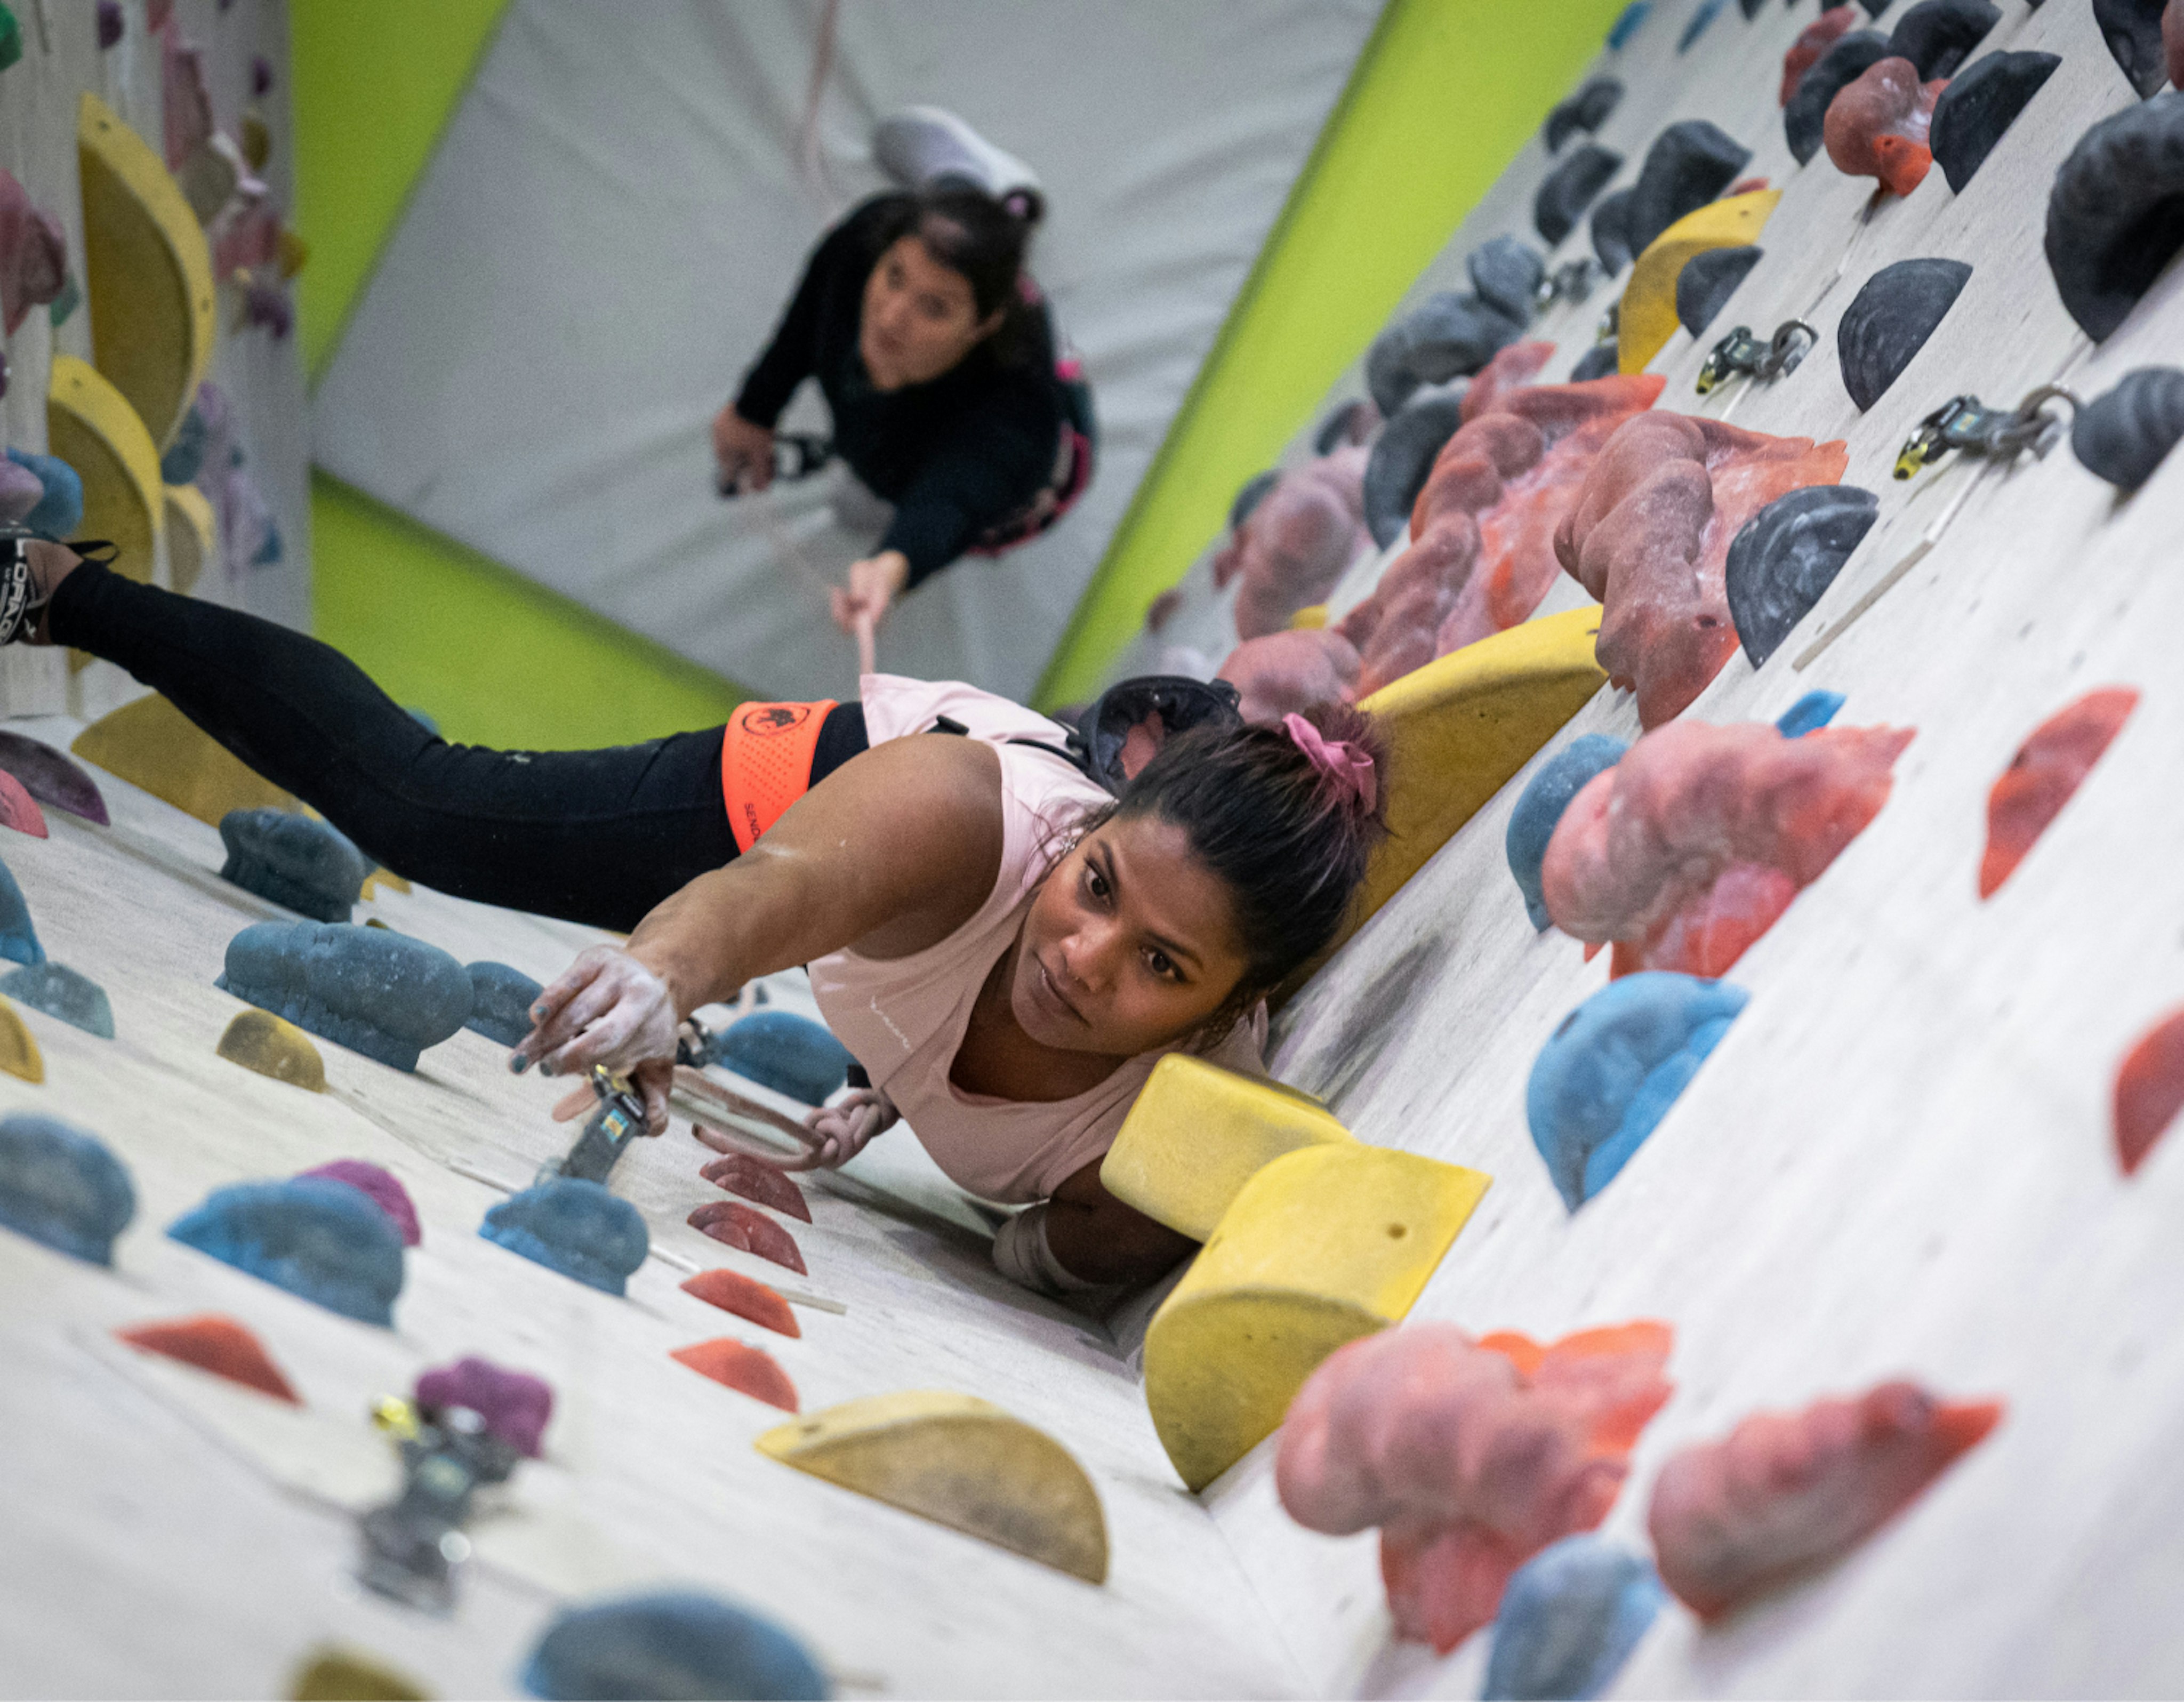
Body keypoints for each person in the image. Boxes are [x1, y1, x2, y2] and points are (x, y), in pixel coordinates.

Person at [7, 536, 1381, 1293]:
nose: (1084, 961)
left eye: (1158, 965)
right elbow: (777, 892)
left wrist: (896, 1108)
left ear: (1226, 1013)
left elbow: (1074, 1242)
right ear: (1081, 835)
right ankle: (69, 588)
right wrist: (666, 976)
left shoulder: (1160, 1139)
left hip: (919, 954)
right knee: (429, 809)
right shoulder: (974, 816)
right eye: (1097, 891)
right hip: (849, 809)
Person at [713, 179, 1093, 661]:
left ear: (981, 326)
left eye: (934, 308)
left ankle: (1013, 231)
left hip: (1052, 463)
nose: (892, 317)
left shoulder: (1018, 421)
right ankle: (1004, 212)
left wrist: (893, 566)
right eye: (894, 276)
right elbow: (809, 317)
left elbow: (949, 503)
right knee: (948, 239)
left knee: (857, 505)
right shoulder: (869, 237)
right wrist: (753, 409)